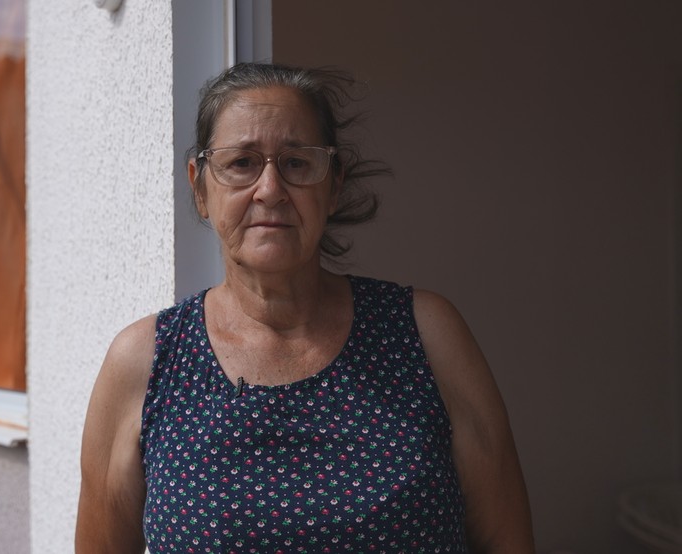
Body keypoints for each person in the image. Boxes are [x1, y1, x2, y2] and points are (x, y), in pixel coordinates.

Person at [76, 62, 534, 553]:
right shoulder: (146, 362)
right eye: (242, 163)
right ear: (200, 187)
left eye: (297, 163)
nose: (270, 189)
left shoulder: (426, 335)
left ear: (333, 185)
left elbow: (506, 541)